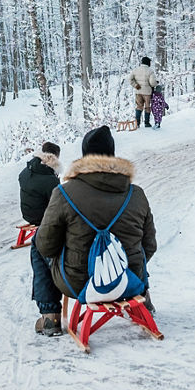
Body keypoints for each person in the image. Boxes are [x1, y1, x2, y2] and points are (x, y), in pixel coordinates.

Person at [36, 126, 157, 311]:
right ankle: (144, 297)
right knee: (137, 243)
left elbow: (46, 246)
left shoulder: (63, 193)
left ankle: (49, 314)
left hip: (79, 284)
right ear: (112, 155)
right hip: (129, 279)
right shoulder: (136, 193)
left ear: (85, 157)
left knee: (37, 241)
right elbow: (150, 245)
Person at [18, 141, 64, 336]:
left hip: (28, 214)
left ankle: (48, 315)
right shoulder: (51, 181)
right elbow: (58, 205)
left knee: (38, 251)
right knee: (46, 251)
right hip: (44, 217)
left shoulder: (25, 172)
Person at [128, 56, 159, 129]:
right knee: (147, 107)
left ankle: (137, 123)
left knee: (139, 107)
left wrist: (136, 85)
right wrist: (156, 83)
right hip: (147, 92)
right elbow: (152, 83)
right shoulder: (150, 71)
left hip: (138, 92)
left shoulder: (135, 70)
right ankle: (147, 123)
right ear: (148, 63)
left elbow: (130, 79)